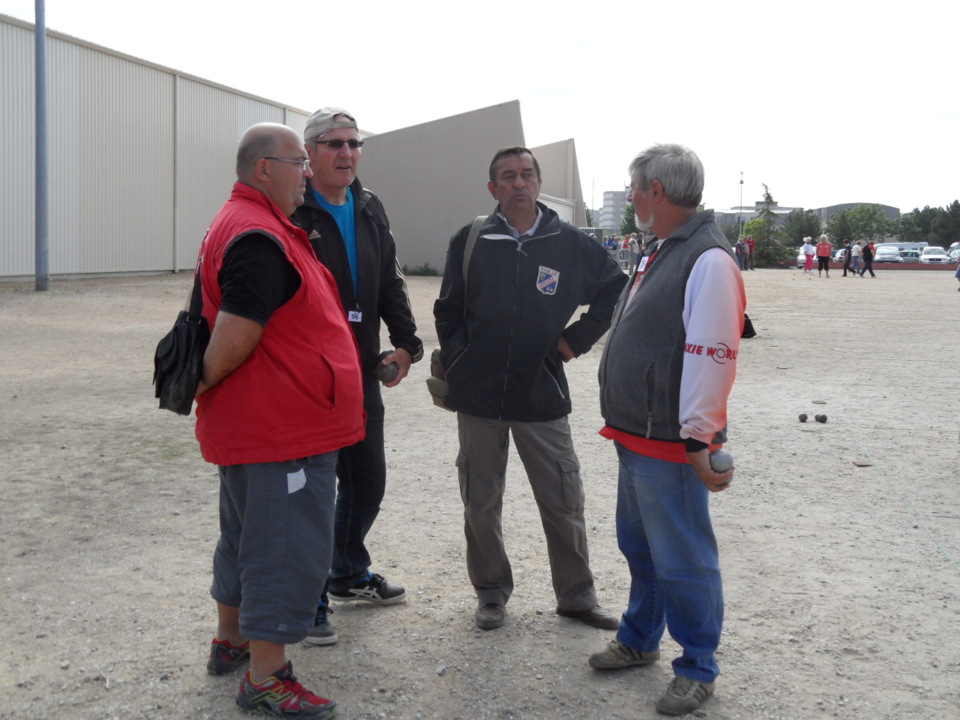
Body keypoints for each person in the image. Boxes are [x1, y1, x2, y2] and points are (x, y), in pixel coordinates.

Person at [197, 123, 365, 719]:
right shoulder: (258, 233)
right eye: (299, 161)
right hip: (279, 430)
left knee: (244, 537)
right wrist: (208, 382)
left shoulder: (254, 224)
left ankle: (232, 641)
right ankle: (266, 676)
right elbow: (237, 331)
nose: (309, 172)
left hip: (263, 424)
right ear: (265, 169)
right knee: (281, 547)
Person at [434, 146, 628, 632]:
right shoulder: (472, 239)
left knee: (563, 498)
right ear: (493, 187)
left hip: (540, 392)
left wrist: (572, 342)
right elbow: (447, 309)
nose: (518, 183)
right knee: (481, 501)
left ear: (538, 183)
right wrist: (461, 358)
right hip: (478, 397)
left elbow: (614, 289)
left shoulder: (568, 243)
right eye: (507, 176)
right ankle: (492, 593)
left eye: (526, 174)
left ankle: (577, 597)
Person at [589, 143, 745, 716]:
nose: (629, 197)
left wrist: (701, 439)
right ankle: (639, 639)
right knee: (640, 546)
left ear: (657, 191)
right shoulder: (664, 249)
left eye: (633, 187)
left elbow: (713, 354)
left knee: (683, 557)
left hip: (670, 444)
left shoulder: (706, 259)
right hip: (636, 434)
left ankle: (698, 666)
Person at [292, 107, 423, 646]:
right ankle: (309, 598)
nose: (346, 152)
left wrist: (408, 343)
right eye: (333, 143)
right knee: (314, 491)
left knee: (368, 482)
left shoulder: (369, 207)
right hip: (309, 379)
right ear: (311, 153)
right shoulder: (293, 211)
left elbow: (389, 279)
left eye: (353, 143)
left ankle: (346, 573)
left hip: (362, 372)